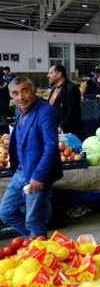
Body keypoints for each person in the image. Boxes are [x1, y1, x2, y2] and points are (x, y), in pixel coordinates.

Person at [0, 77, 63, 237]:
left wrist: (39, 177)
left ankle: (39, 251)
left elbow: (51, 146)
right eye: (15, 93)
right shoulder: (19, 110)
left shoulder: (46, 112)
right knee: (6, 212)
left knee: (34, 220)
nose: (20, 97)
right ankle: (35, 241)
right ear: (11, 96)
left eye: (24, 91)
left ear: (33, 90)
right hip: (21, 172)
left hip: (37, 174)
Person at [47, 65, 82, 137]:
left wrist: (61, 126)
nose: (48, 75)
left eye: (51, 73)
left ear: (59, 74)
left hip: (68, 132)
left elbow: (72, 111)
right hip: (54, 128)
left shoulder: (72, 89)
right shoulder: (54, 88)